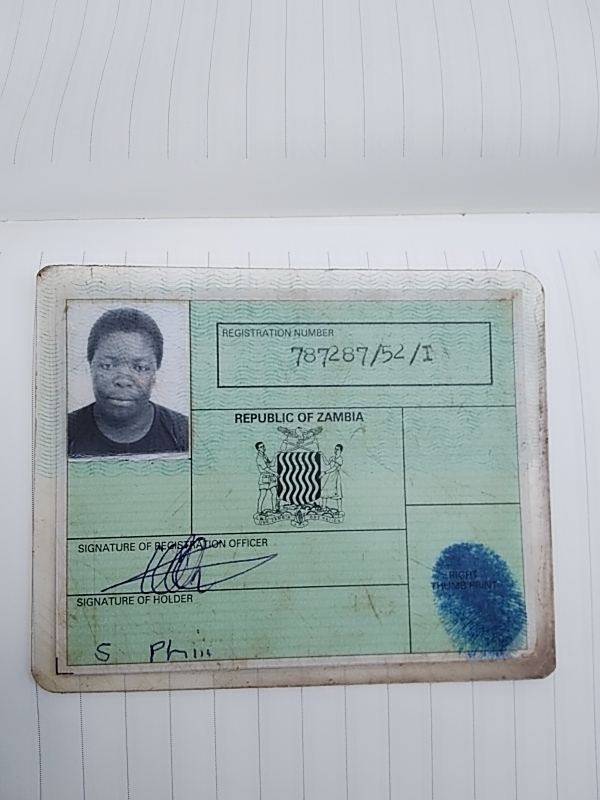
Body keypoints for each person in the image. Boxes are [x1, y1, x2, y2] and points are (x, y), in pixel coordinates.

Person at [68, 308, 188, 457]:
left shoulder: (184, 433)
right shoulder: (63, 431)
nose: (123, 381)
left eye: (140, 368)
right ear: (90, 366)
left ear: (155, 372)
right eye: (107, 365)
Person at [255, 442, 277, 513]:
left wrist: (275, 456)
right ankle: (259, 511)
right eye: (261, 447)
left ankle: (274, 509)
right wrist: (275, 473)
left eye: (263, 446)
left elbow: (271, 464)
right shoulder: (259, 458)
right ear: (258, 449)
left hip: (270, 477)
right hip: (264, 478)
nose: (263, 448)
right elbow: (265, 468)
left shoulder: (265, 456)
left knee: (274, 493)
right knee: (263, 495)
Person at [321, 444, 343, 511]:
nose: (335, 451)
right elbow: (327, 463)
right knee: (325, 492)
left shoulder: (340, 459)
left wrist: (325, 472)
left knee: (337, 494)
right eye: (335, 449)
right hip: (330, 477)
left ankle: (340, 510)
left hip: (335, 477)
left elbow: (334, 468)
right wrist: (322, 455)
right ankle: (323, 507)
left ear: (340, 451)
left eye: (337, 449)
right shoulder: (332, 457)